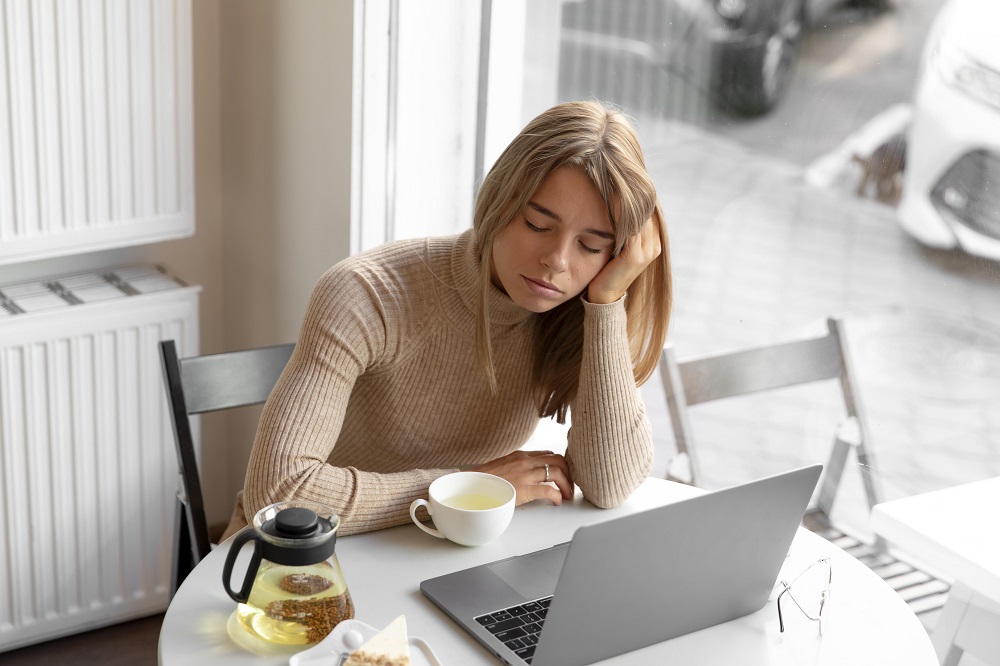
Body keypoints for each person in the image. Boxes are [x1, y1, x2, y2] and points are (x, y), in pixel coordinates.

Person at [223, 100, 672, 539]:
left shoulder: (571, 313)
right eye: (537, 224)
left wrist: (608, 302)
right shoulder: (365, 294)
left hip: (439, 554)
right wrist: (466, 487)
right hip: (294, 562)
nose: (556, 260)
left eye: (591, 246)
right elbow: (281, 493)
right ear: (499, 199)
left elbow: (611, 486)